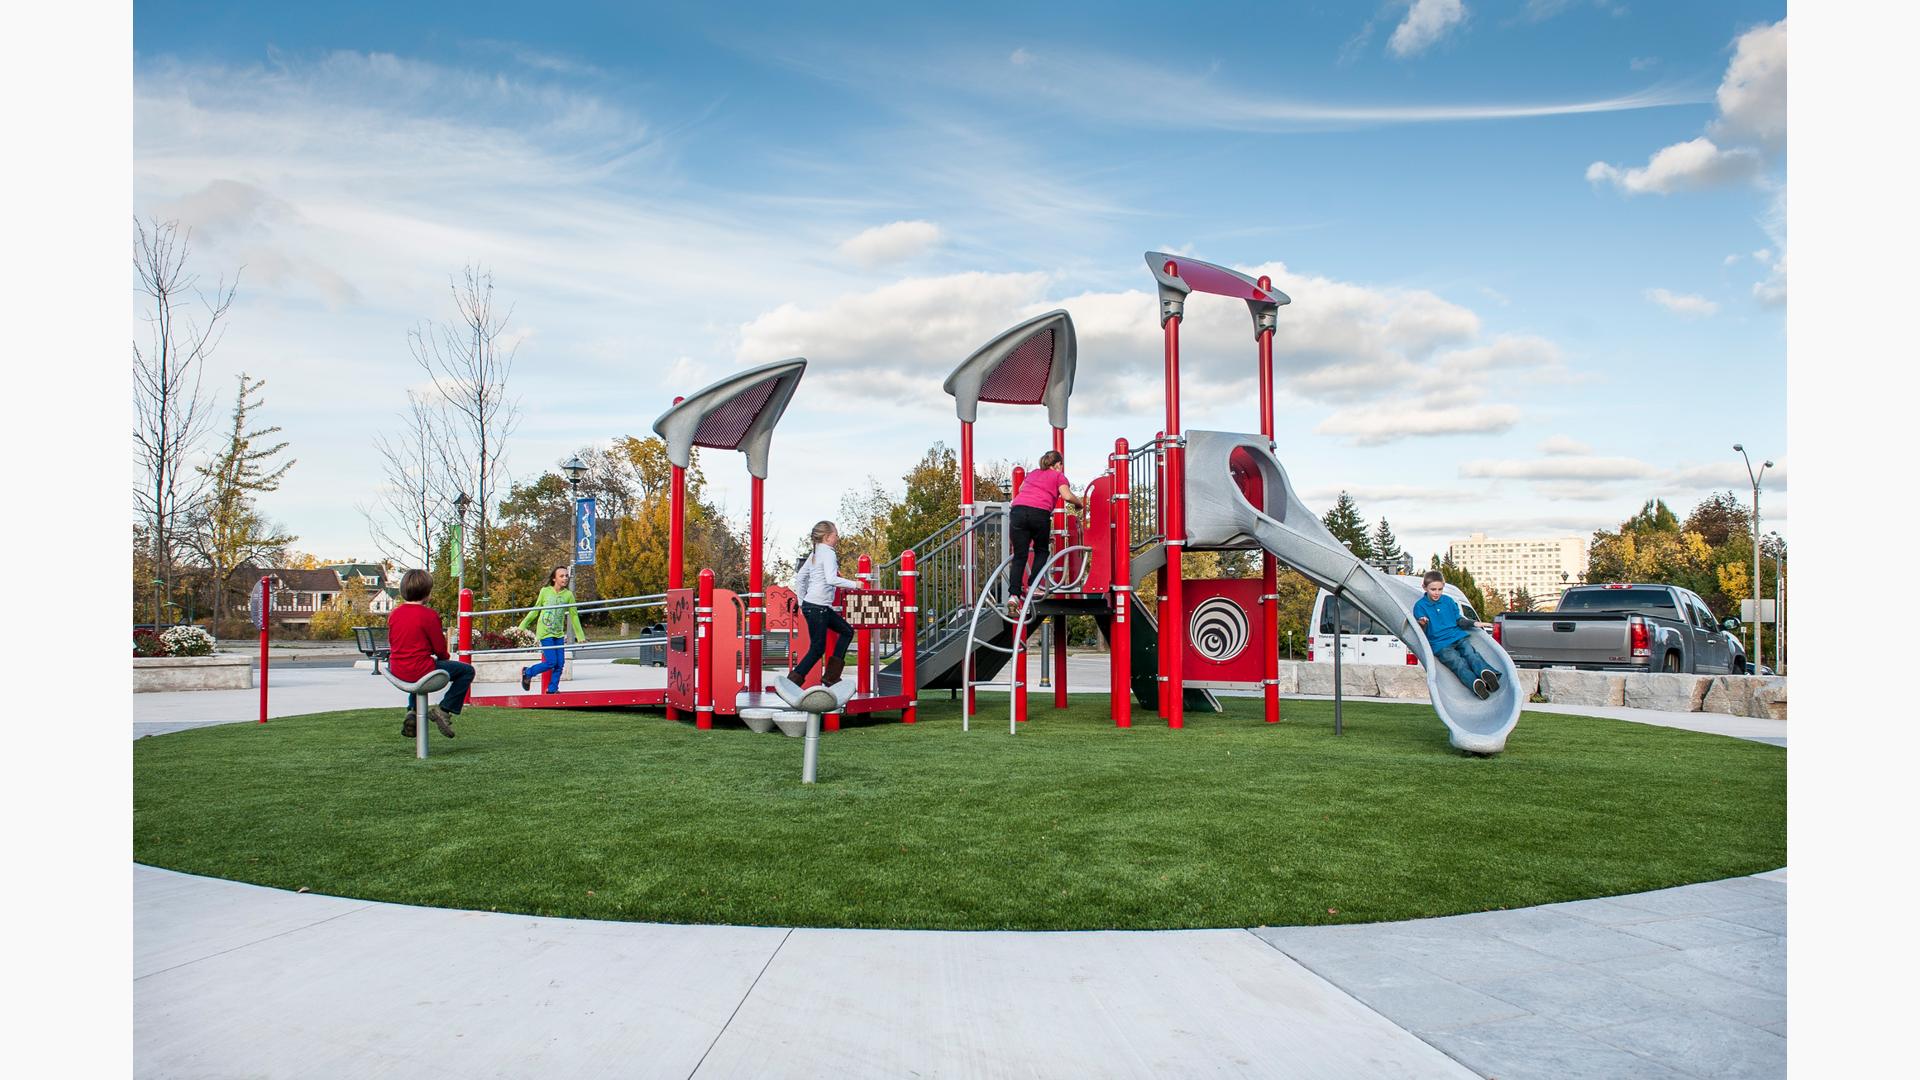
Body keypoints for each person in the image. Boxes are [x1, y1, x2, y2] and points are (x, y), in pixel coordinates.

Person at [385, 568, 472, 738]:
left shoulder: (395, 614)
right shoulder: (429, 615)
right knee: (467, 671)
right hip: (419, 669)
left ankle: (412, 712)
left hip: (397, 669)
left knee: (416, 669)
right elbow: (440, 649)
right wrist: (444, 658)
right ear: (427, 593)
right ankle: (445, 709)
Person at [782, 520, 861, 691]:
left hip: (817, 607)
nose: (837, 538)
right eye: (835, 535)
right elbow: (831, 579)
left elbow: (801, 578)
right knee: (818, 649)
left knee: (846, 631)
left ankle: (831, 676)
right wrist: (856, 584)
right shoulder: (828, 553)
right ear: (827, 537)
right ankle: (792, 683)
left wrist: (803, 602)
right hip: (818, 608)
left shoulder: (815, 553)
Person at [1007, 449, 1086, 607]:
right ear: (1057, 464)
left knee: (1019, 555)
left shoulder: (1033, 473)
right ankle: (1033, 587)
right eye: (1061, 465)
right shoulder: (1058, 476)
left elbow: (1022, 489)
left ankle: (1013, 596)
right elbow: (1066, 495)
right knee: (1042, 550)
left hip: (1017, 511)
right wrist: (1079, 504)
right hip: (1039, 513)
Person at [1413, 570, 1503, 700]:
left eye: (1440, 589)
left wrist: (1474, 623)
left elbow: (1459, 620)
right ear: (1424, 587)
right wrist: (1422, 623)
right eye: (1433, 589)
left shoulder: (1448, 601)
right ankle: (1475, 684)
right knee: (1458, 663)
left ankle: (1487, 674)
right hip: (1440, 644)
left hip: (1457, 636)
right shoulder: (1420, 606)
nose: (1437, 593)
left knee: (1471, 654)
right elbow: (1420, 630)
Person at [519, 566, 587, 694]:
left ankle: (552, 689)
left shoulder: (568, 595)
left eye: (566, 576)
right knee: (551, 662)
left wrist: (580, 635)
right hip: (545, 632)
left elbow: (574, 615)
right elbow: (535, 610)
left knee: (560, 664)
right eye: (562, 576)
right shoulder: (545, 591)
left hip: (558, 633)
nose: (565, 578)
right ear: (554, 578)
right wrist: (523, 625)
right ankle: (527, 672)